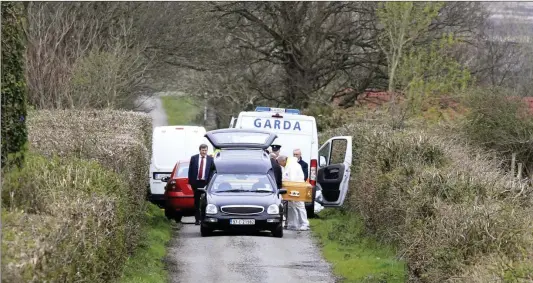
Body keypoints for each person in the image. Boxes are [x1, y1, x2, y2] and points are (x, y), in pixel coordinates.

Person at [277, 155, 310, 231]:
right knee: (291, 207)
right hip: (291, 189)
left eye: (280, 163)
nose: (280, 165)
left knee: (299, 206)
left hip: (296, 189)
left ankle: (304, 224)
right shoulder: (289, 165)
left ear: (283, 161)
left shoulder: (292, 166)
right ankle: (293, 224)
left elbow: (292, 179)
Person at [188, 144, 216, 225]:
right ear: (199, 150)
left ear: (207, 151)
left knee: (205, 201)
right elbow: (190, 171)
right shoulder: (194, 158)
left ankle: (204, 218)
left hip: (206, 183)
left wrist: (210, 182)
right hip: (196, 182)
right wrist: (191, 182)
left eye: (205, 150)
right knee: (196, 201)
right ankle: (197, 219)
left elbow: (212, 171)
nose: (204, 152)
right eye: (202, 150)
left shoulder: (211, 159)